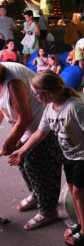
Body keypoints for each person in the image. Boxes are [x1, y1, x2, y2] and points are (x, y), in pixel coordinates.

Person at [8, 70, 84, 246]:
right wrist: (22, 150)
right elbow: (40, 132)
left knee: (79, 194)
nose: (36, 97)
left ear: (48, 93)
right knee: (73, 191)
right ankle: (82, 222)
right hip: (69, 156)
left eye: (37, 94)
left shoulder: (75, 107)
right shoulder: (50, 108)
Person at [0, 63, 62, 230]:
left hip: (42, 125)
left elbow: (25, 118)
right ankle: (37, 195)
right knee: (20, 161)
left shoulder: (13, 82)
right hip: (27, 127)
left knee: (37, 164)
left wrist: (9, 143)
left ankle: (49, 210)